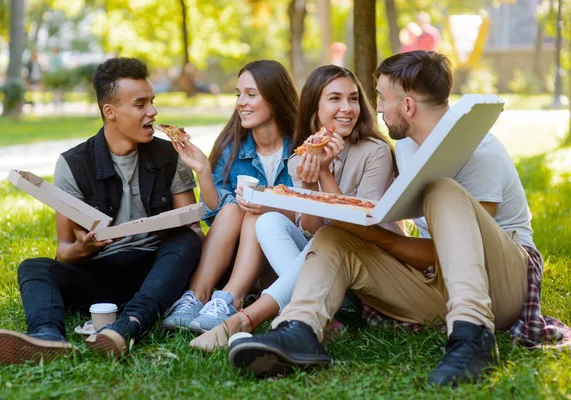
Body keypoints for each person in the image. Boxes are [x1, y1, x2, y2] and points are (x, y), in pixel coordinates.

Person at [227, 51, 571, 385]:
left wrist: (381, 237)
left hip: (502, 284)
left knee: (442, 190)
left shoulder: (480, 153)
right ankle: (299, 330)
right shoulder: (406, 147)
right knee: (334, 237)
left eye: (380, 98)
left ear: (407, 106)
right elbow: (431, 257)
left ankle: (473, 336)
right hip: (437, 283)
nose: (375, 108)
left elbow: (461, 253)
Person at [0, 57, 203, 364]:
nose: (153, 112)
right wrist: (83, 248)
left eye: (152, 101)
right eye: (140, 104)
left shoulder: (168, 154)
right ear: (110, 112)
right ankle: (47, 336)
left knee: (186, 240)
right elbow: (64, 250)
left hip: (158, 272)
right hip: (101, 275)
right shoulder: (73, 164)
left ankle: (128, 326)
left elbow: (190, 227)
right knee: (34, 267)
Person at [189, 65, 399, 351]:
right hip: (322, 268)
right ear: (314, 107)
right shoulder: (301, 158)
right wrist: (311, 185)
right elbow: (312, 229)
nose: (347, 108)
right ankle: (328, 314)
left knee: (328, 239)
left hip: (367, 264)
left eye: (353, 99)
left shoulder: (376, 152)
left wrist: (324, 173)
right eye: (335, 99)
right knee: (267, 222)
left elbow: (353, 227)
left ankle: (245, 319)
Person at [161, 60, 299, 336]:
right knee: (237, 209)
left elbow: (310, 216)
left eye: (251, 94)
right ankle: (197, 296)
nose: (240, 102)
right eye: (238, 94)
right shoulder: (232, 145)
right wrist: (202, 171)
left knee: (257, 213)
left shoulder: (301, 146)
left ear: (274, 96)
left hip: (286, 257)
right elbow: (218, 212)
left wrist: (270, 206)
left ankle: (231, 299)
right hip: (239, 257)